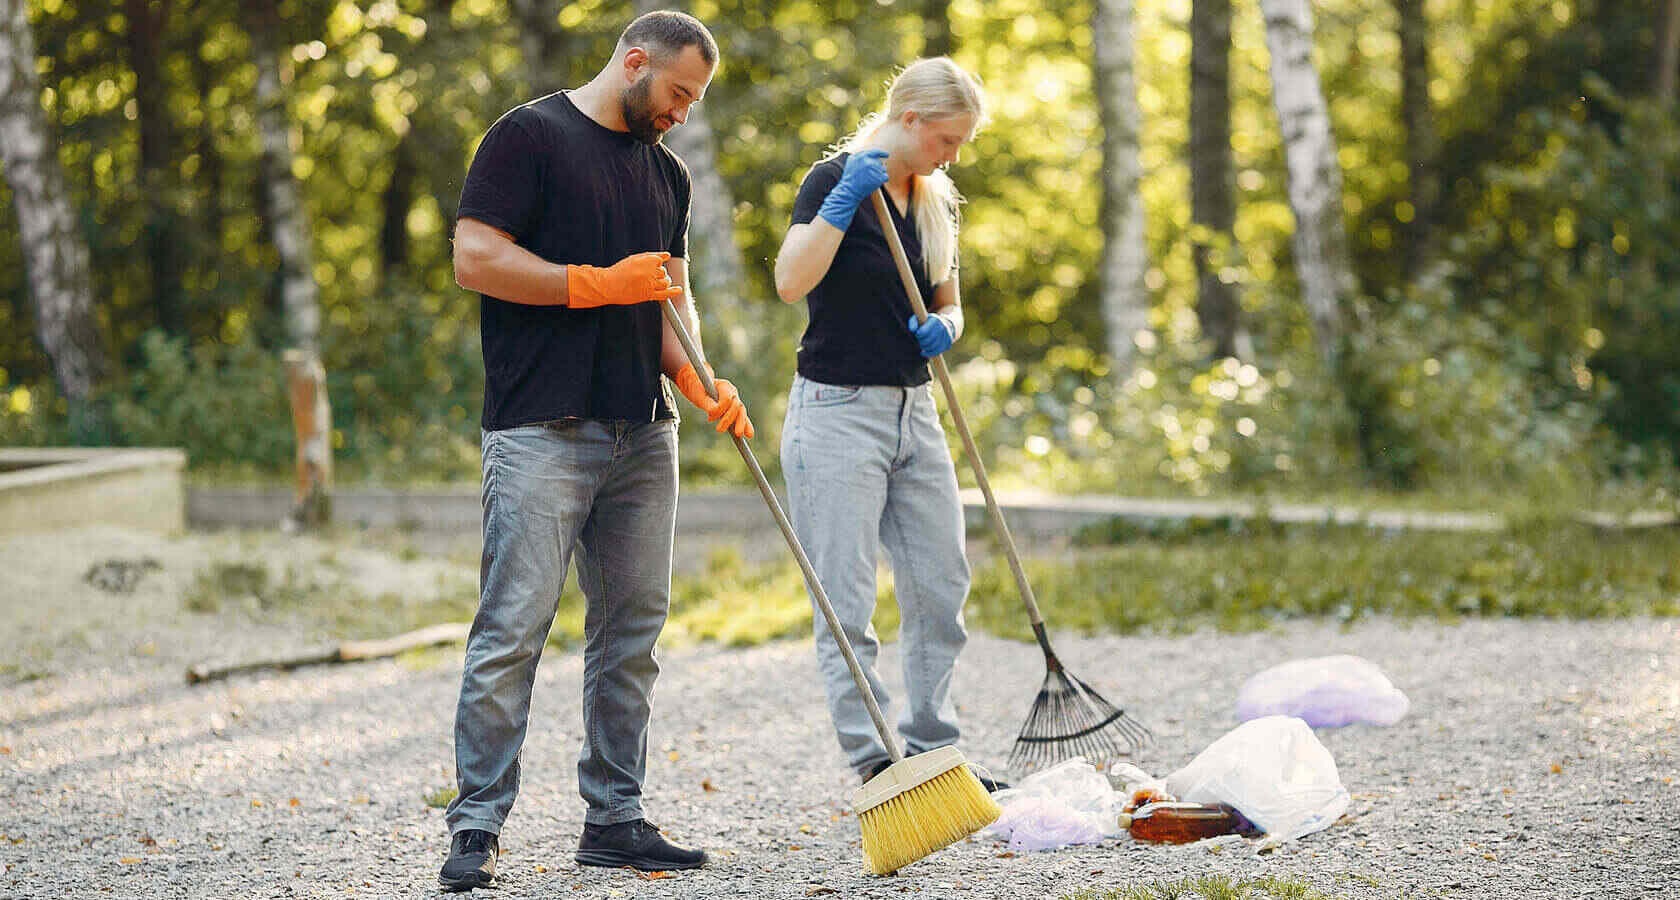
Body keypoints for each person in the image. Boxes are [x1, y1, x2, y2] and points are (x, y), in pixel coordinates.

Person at [439, 11, 753, 891]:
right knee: (512, 630)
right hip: (542, 428)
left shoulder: (667, 174)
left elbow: (668, 306)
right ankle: (474, 827)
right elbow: (474, 257)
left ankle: (614, 820)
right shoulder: (528, 136)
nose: (684, 110)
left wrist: (704, 383)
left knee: (631, 636)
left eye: (697, 98)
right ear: (634, 60)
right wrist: (591, 285)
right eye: (679, 91)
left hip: (644, 433)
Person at [771, 58, 1003, 792]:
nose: (953, 154)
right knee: (845, 600)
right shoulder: (836, 179)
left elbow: (950, 299)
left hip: (915, 411)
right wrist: (841, 206)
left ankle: (934, 749)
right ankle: (875, 759)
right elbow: (789, 282)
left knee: (940, 585)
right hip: (836, 413)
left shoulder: (935, 199)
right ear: (907, 120)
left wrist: (950, 327)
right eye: (946, 138)